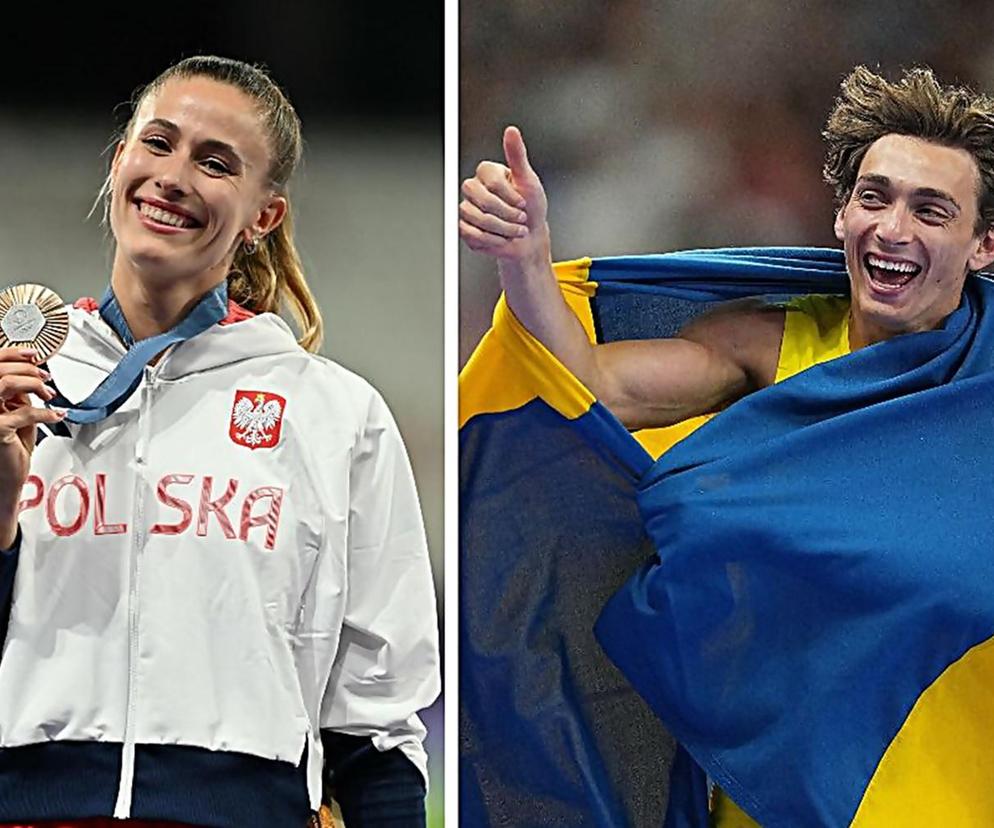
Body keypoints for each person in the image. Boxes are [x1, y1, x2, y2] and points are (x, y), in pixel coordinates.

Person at [460, 65, 994, 825]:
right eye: (874, 198)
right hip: (769, 807)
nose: (894, 228)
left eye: (932, 210)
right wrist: (527, 259)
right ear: (842, 216)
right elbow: (595, 392)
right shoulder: (770, 345)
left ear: (983, 246)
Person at [0, 55, 439, 828]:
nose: (172, 177)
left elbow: (377, 713)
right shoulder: (16, 390)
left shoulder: (335, 415)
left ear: (262, 214)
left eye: (214, 163)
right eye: (157, 144)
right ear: (119, 162)